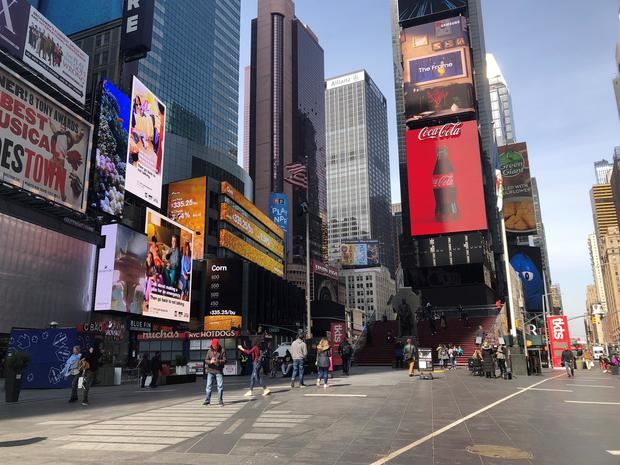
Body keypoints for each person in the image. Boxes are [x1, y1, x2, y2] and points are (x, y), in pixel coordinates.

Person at [204, 338, 226, 406]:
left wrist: (218, 361)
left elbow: (225, 360)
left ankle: (220, 401)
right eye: (213, 346)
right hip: (210, 370)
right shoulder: (209, 351)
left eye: (215, 346)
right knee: (208, 386)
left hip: (218, 370)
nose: (214, 347)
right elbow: (206, 360)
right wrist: (210, 361)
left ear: (217, 345)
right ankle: (207, 400)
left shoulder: (222, 350)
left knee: (220, 386)